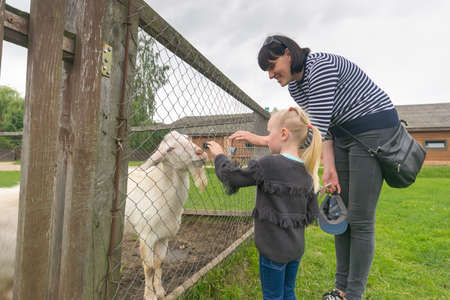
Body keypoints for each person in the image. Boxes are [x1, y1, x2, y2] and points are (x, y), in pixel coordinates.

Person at [229, 35, 401, 300]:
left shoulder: (319, 67)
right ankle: (340, 289)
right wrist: (329, 167)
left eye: (273, 66)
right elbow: (322, 132)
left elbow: (313, 133)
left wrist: (260, 139)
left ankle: (352, 295)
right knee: (341, 215)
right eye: (267, 71)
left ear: (288, 53)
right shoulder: (296, 87)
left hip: (373, 130)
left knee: (360, 218)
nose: (271, 74)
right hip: (343, 134)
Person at [206, 106, 322, 300]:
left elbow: (232, 178)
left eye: (269, 133)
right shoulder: (307, 172)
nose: (267, 138)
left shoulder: (269, 164)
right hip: (295, 249)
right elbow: (310, 213)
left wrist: (219, 156)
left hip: (273, 251)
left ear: (283, 134)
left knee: (272, 296)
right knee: (288, 292)